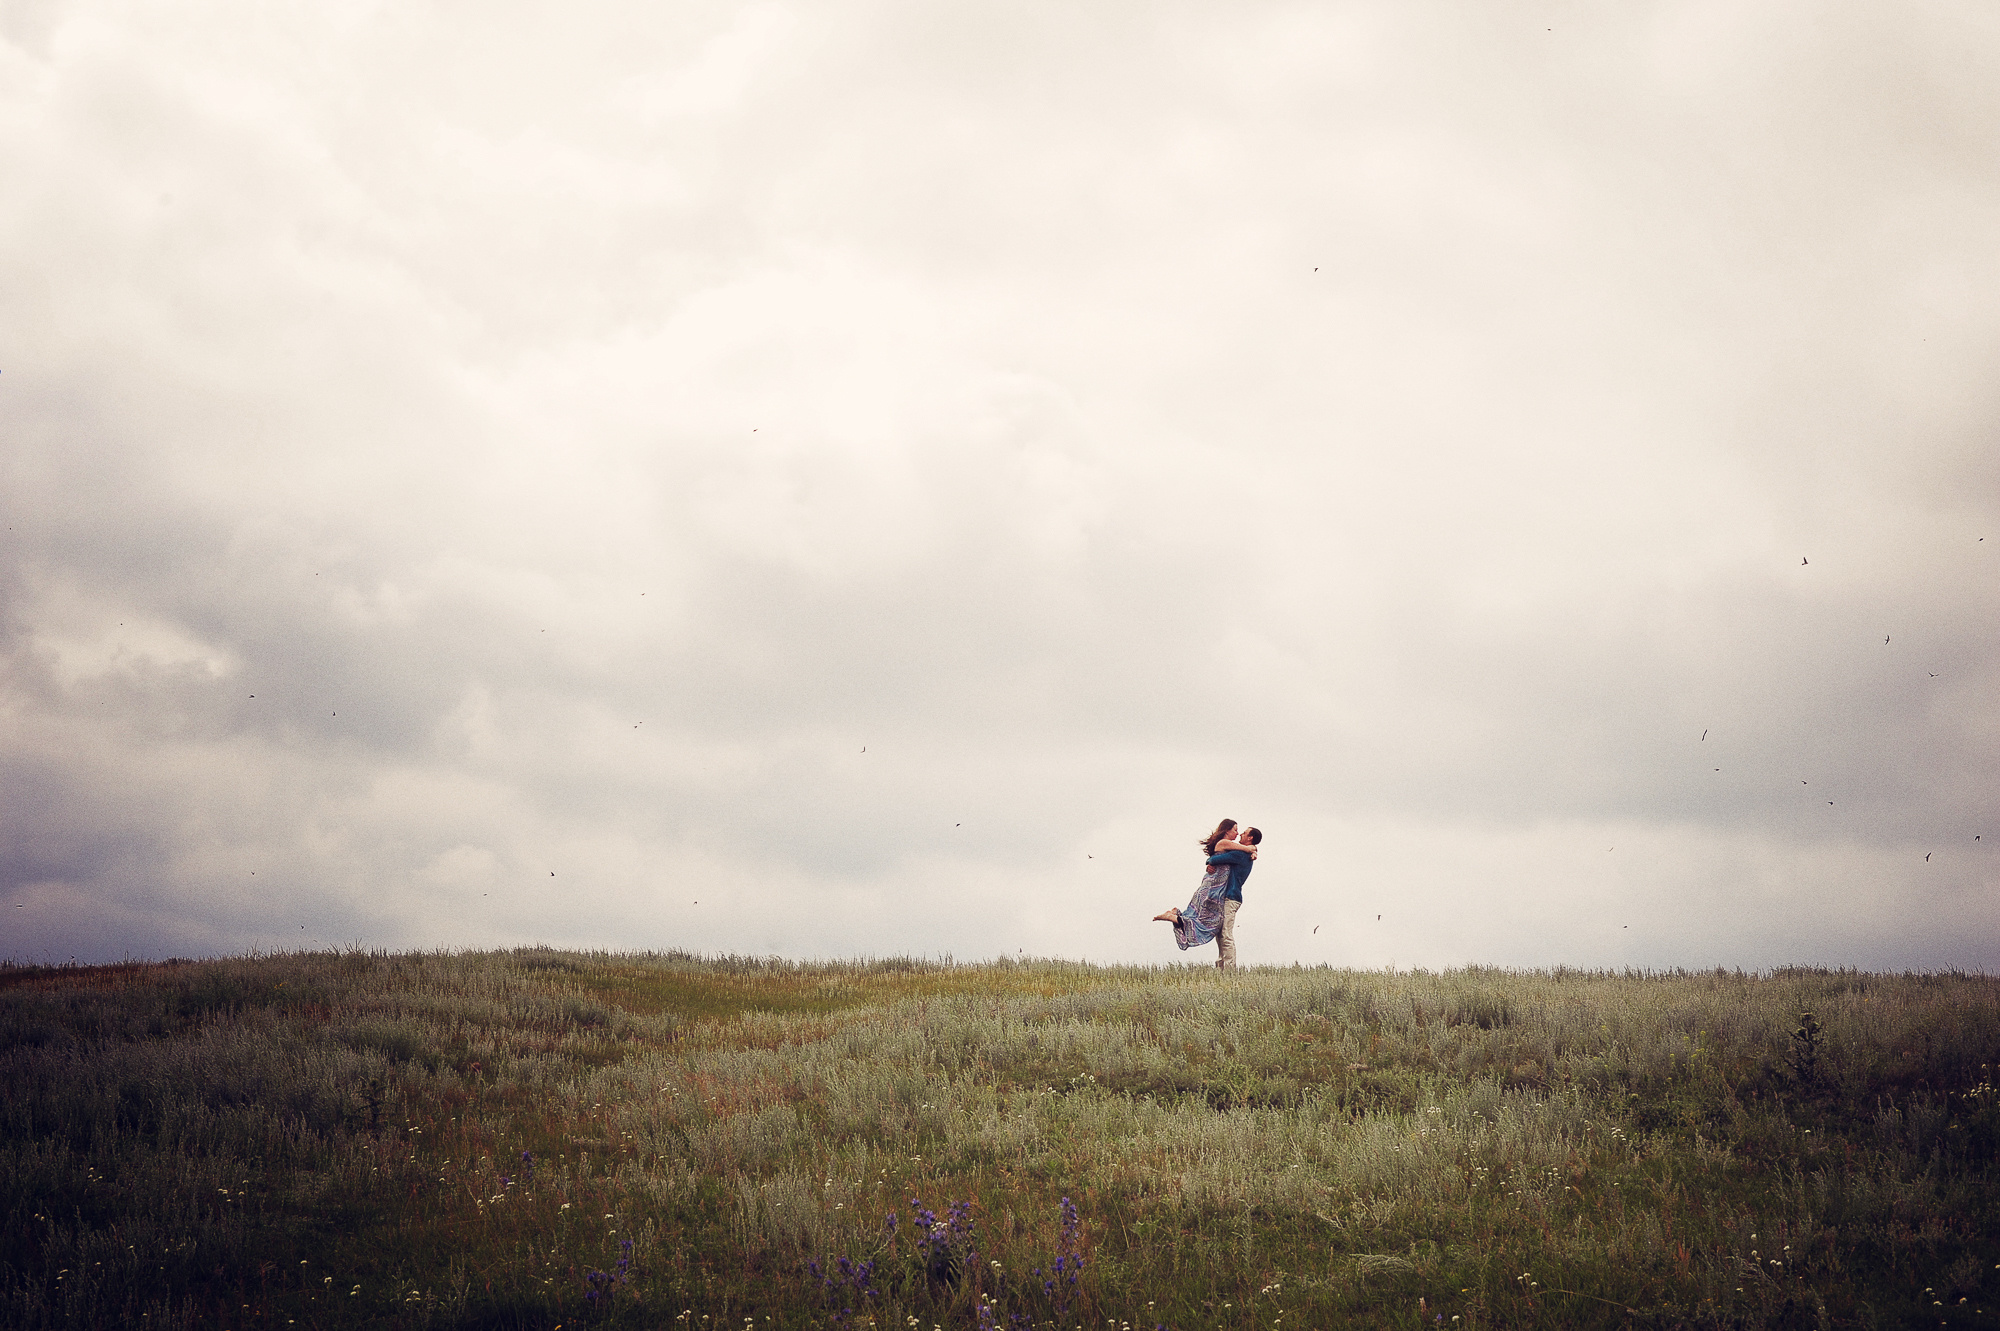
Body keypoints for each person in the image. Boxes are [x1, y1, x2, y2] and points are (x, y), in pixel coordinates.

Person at [1153, 819, 1262, 968]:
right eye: (1237, 830)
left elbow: (1216, 858)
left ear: (1250, 838)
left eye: (1243, 833)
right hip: (1225, 896)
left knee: (1225, 934)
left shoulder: (1241, 854)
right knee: (1219, 933)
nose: (1240, 834)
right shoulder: (1242, 852)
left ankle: (1229, 968)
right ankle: (1222, 966)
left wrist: (1210, 862)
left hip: (1231, 897)